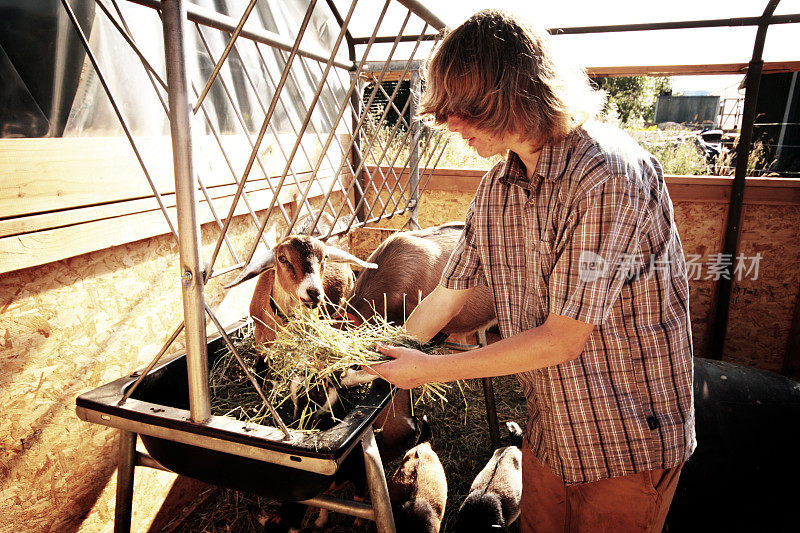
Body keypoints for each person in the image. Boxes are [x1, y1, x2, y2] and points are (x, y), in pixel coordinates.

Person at [365, 9, 696, 533]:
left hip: (627, 439)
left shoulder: (607, 177)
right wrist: (371, 360)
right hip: (550, 432)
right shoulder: (497, 189)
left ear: (510, 95)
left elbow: (563, 339)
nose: (448, 124)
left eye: (460, 108)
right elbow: (449, 296)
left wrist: (426, 369)